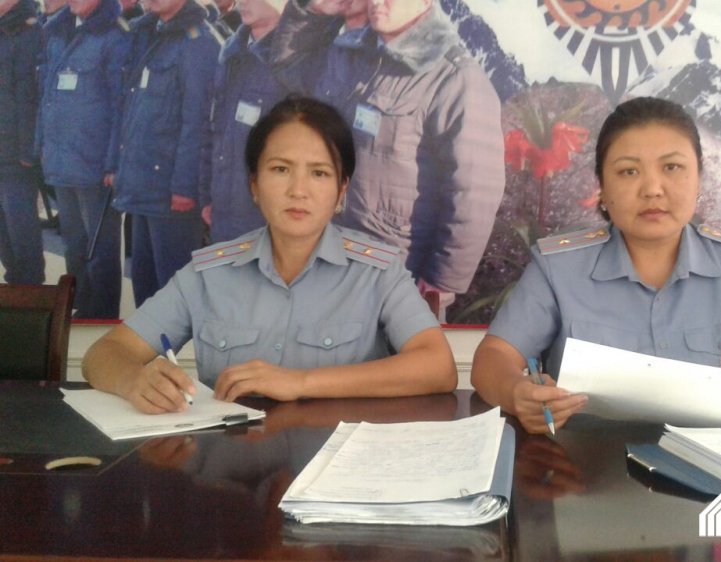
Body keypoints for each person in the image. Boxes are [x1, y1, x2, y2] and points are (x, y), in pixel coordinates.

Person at [471, 97, 721, 436]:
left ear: (698, 179)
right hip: (585, 470)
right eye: (628, 172)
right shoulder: (559, 268)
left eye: (672, 167)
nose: (652, 188)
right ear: (602, 188)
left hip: (711, 473)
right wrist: (517, 392)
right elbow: (493, 360)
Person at [83, 96, 457, 414]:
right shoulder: (208, 273)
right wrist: (135, 380)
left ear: (342, 191)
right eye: (280, 169)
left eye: (319, 173)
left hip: (342, 466)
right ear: (255, 184)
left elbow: (438, 367)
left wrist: (301, 382)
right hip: (232, 466)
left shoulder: (378, 271)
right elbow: (104, 353)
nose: (298, 190)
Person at [271, 0, 505, 317]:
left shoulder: (454, 78)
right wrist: (311, 10)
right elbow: (289, 65)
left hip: (396, 274)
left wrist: (442, 280)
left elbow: (475, 191)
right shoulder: (350, 53)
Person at [113, 0, 222, 307]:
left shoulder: (199, 43)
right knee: (144, 284)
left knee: (174, 292)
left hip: (171, 191)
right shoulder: (154, 34)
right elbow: (134, 109)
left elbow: (198, 122)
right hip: (143, 181)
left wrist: (185, 187)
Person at [36, 0, 130, 318]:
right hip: (62, 158)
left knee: (100, 249)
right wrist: (42, 144)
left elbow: (121, 106)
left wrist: (113, 162)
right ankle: (79, 309)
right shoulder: (59, 31)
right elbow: (48, 96)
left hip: (94, 163)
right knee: (74, 244)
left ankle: (101, 317)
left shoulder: (114, 36)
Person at [200, 0, 289, 243]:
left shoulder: (294, 59)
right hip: (224, 208)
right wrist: (207, 195)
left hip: (266, 217)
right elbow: (213, 130)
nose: (243, 2)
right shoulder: (232, 52)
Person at [0, 0, 45, 285]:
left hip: (16, 154)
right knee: (4, 235)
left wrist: (27, 153)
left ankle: (32, 294)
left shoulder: (29, 32)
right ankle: (16, 288)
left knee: (22, 229)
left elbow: (29, 97)